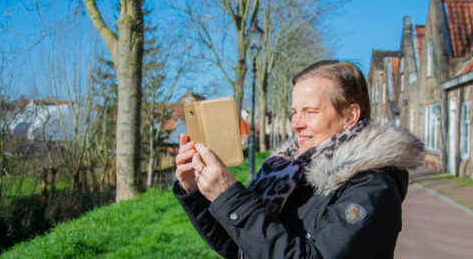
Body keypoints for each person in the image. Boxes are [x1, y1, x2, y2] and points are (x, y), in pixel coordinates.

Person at [173, 60, 425, 259]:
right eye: (294, 112)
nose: (296, 124)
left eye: (309, 112)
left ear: (349, 116)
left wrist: (230, 197)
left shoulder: (373, 185)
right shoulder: (285, 170)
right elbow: (239, 247)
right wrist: (195, 191)